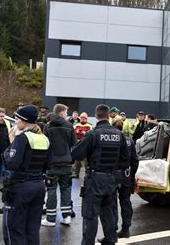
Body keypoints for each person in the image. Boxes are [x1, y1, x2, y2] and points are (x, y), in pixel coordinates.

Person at [72, 104, 129, 245]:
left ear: (96, 115)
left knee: (90, 215)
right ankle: (110, 241)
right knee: (108, 214)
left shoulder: (93, 134)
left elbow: (76, 154)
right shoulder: (119, 134)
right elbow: (125, 159)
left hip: (95, 179)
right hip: (111, 179)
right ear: (109, 115)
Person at [2, 105, 51, 244]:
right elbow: (48, 165)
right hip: (38, 187)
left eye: (17, 119)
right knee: (32, 229)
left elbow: (11, 164)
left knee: (13, 228)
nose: (15, 122)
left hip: (21, 186)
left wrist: (11, 144)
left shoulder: (21, 138)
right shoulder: (44, 138)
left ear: (24, 121)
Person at [42, 104, 77, 227]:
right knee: (66, 189)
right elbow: (74, 144)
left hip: (52, 164)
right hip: (66, 163)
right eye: (66, 112)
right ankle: (66, 216)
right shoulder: (69, 126)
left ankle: (51, 219)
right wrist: (72, 159)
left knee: (51, 189)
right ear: (61, 113)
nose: (67, 114)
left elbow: (44, 144)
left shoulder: (48, 126)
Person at [109, 119, 138, 239]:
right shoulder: (130, 141)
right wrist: (132, 176)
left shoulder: (112, 140)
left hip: (113, 174)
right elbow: (135, 161)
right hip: (126, 175)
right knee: (125, 202)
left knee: (112, 202)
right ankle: (126, 229)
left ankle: (112, 231)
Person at [72, 112, 93, 178]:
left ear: (86, 119)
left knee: (86, 160)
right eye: (81, 118)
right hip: (78, 143)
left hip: (86, 145)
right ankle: (76, 173)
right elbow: (73, 132)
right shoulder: (76, 124)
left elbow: (90, 134)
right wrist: (79, 132)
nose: (82, 119)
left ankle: (87, 173)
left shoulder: (90, 125)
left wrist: (83, 132)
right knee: (77, 160)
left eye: (84, 118)